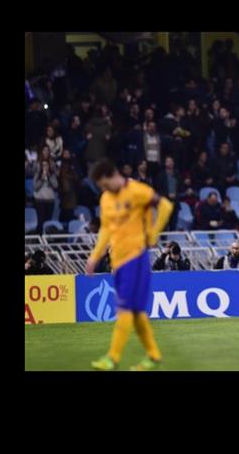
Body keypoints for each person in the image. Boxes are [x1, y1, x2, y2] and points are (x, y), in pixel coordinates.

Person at [86, 159, 174, 371]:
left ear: (113, 174)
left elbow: (165, 205)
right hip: (117, 260)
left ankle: (113, 358)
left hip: (135, 257)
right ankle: (153, 356)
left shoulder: (137, 190)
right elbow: (106, 229)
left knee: (124, 309)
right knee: (136, 312)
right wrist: (94, 256)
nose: (105, 189)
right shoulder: (106, 198)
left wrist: (153, 232)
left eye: (105, 184)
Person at [33, 153, 59, 232]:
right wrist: (41, 179)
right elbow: (35, 187)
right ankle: (38, 236)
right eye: (43, 165)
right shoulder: (37, 175)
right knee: (40, 221)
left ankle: (46, 236)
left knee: (48, 222)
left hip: (50, 201)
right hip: (39, 201)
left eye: (46, 165)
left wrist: (49, 176)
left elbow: (56, 186)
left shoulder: (52, 175)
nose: (45, 167)